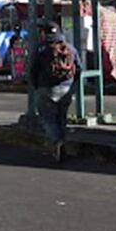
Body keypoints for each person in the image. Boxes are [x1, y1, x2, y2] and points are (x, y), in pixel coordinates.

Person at [29, 23, 82, 163]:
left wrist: (36, 86)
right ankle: (62, 144)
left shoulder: (40, 49)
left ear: (44, 34)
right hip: (66, 89)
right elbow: (79, 68)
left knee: (48, 118)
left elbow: (33, 70)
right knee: (61, 117)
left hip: (46, 88)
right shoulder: (69, 48)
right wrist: (72, 87)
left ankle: (57, 141)